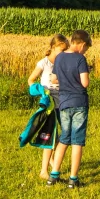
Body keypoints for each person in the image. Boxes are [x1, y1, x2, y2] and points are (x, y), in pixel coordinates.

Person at [46, 29, 92, 189]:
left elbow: (54, 79)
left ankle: (54, 176)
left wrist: (66, 81)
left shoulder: (59, 58)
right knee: (77, 141)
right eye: (86, 48)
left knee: (64, 139)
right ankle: (73, 179)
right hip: (79, 102)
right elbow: (85, 83)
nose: (85, 51)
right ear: (82, 44)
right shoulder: (80, 59)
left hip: (63, 103)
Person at [28, 34, 69, 179]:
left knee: (63, 134)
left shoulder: (63, 63)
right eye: (61, 50)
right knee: (50, 135)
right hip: (49, 103)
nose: (63, 54)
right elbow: (31, 80)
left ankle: (52, 160)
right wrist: (40, 90)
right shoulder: (43, 63)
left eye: (65, 50)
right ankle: (44, 171)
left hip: (63, 100)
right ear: (53, 48)